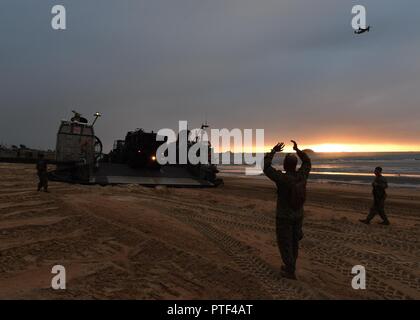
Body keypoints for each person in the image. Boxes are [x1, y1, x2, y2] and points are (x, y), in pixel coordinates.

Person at [263, 140, 311, 280]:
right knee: (294, 242)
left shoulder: (282, 178)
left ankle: (290, 270)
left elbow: (266, 167)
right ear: (295, 165)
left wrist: (273, 151)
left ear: (285, 165)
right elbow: (307, 163)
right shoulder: (302, 175)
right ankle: (291, 265)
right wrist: (298, 150)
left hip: (284, 216)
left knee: (285, 243)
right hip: (298, 215)